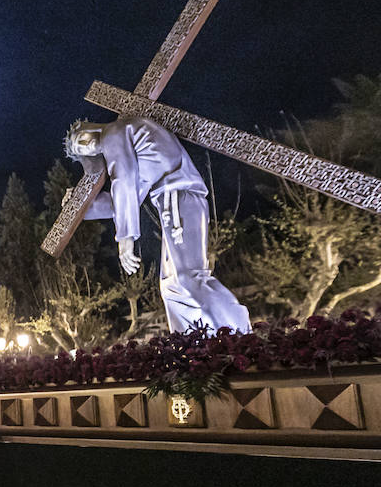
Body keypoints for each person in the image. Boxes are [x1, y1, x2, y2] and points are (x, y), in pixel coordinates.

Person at [65, 116, 250, 333]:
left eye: (81, 138)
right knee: (172, 286)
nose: (87, 145)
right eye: (82, 150)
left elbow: (123, 179)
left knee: (189, 277)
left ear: (86, 126)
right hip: (174, 200)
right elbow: (125, 198)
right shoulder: (133, 141)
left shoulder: (115, 131)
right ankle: (190, 345)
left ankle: (239, 333)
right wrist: (80, 206)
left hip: (178, 196)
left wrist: (125, 240)